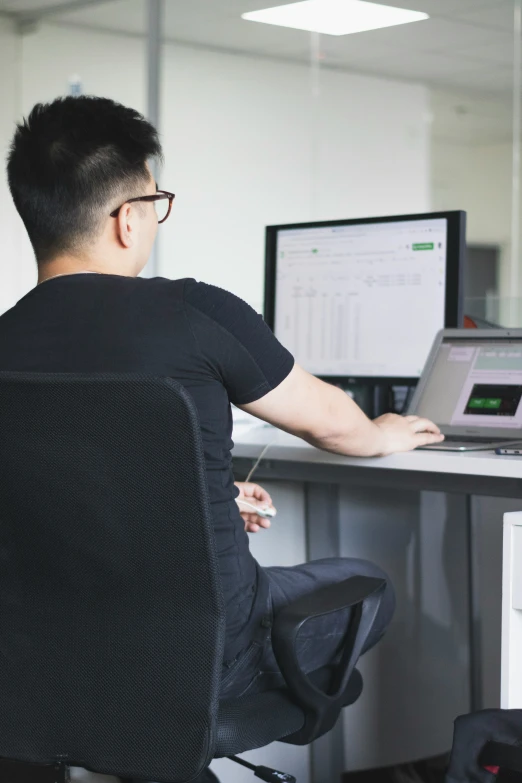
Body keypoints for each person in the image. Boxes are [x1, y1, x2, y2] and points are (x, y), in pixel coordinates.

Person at [2, 95, 444, 700]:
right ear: (127, 218)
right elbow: (333, 427)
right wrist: (383, 431)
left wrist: (197, 498)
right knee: (369, 581)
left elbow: (51, 482)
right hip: (217, 647)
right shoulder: (194, 311)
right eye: (156, 203)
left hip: (49, 649)